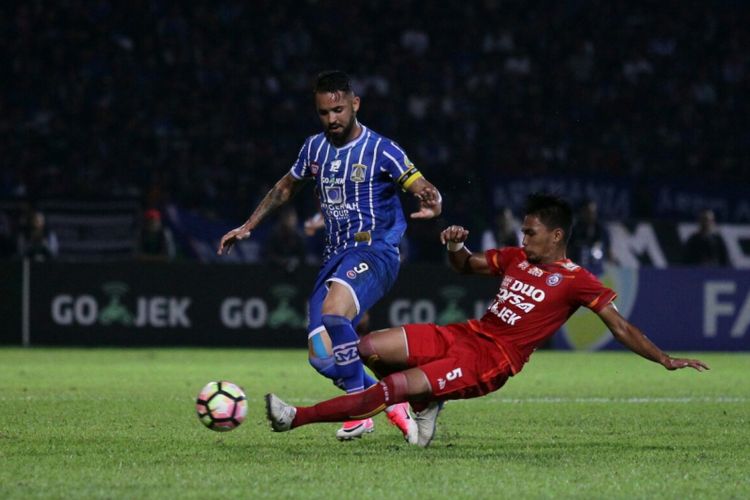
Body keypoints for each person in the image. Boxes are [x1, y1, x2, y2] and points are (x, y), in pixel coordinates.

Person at [265, 193, 708, 447]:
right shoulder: (517, 258)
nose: (522, 237)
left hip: (491, 359)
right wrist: (456, 248)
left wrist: (664, 359)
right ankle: (426, 403)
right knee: (368, 348)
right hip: (467, 333)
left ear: (555, 236)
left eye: (530, 232)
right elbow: (468, 266)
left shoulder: (577, 280)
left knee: (391, 387)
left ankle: (296, 417)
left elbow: (620, 326)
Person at [218, 70, 443, 442]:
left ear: (355, 104)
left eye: (338, 109)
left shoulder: (382, 149)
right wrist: (249, 225)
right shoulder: (313, 148)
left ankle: (358, 407)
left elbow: (421, 186)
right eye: (324, 112)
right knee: (323, 356)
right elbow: (285, 187)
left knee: (335, 312)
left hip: (376, 251)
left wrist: (433, 200)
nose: (332, 119)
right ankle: (396, 401)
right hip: (334, 258)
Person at [567, 199, 612, 276]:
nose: (591, 215)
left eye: (593, 212)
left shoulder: (601, 230)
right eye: (588, 212)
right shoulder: (574, 230)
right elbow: (567, 252)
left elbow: (609, 252)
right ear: (582, 212)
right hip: (577, 269)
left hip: (597, 270)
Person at [263, 207, 307, 272]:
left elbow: (303, 257)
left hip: (296, 272)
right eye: (288, 217)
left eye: (293, 218)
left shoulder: (299, 237)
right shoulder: (274, 235)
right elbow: (268, 254)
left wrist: (294, 261)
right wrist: (281, 261)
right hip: (274, 271)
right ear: (282, 219)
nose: (291, 221)